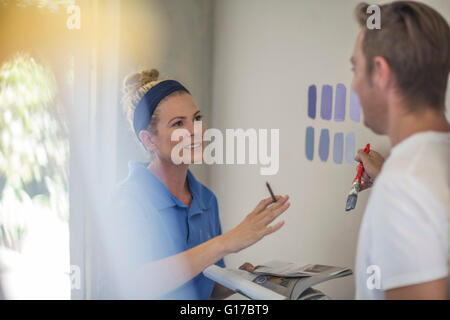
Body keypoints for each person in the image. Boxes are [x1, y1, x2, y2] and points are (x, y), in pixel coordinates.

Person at [97, 69, 290, 299]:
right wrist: (226, 242)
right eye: (178, 123)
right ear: (149, 140)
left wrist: (241, 281)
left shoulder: (207, 200)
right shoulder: (127, 201)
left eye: (197, 118)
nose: (194, 131)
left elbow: (207, 289)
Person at [350, 1, 450, 299]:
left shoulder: (402, 189)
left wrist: (396, 187)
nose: (353, 85)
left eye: (355, 68)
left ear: (380, 72)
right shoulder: (418, 176)